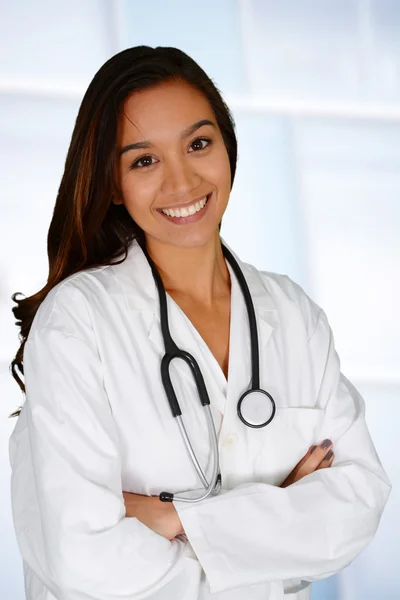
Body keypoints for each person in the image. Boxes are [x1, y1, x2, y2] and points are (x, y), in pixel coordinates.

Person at [8, 46, 391, 600]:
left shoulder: (291, 314)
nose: (181, 181)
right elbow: (81, 557)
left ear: (228, 148)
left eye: (198, 144)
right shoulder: (79, 322)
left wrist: (173, 519)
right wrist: (273, 532)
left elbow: (357, 504)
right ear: (112, 183)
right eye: (144, 160)